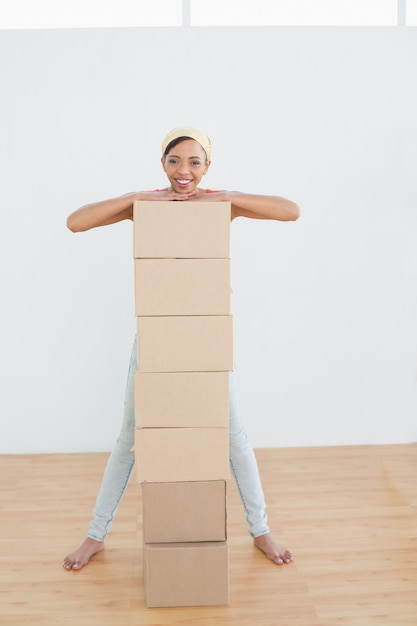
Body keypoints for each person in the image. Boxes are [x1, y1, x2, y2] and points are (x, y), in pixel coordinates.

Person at [63, 127, 300, 571]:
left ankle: (261, 530)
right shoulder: (148, 204)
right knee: (130, 439)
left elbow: (291, 211)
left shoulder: (219, 205)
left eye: (194, 162)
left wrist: (224, 197)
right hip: (155, 337)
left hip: (207, 336)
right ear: (162, 165)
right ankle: (95, 536)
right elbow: (76, 221)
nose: (184, 171)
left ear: (207, 166)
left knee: (233, 437)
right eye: (174, 161)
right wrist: (139, 198)